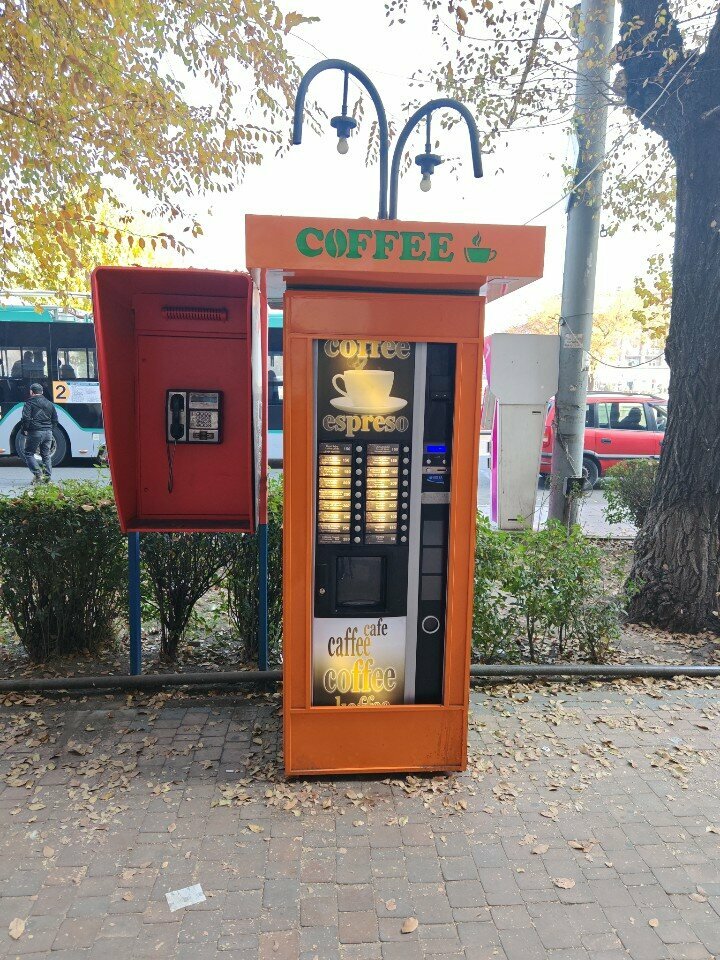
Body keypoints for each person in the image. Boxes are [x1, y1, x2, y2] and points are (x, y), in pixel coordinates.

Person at [20, 383, 57, 483]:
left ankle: (38, 475)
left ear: (31, 392)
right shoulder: (50, 403)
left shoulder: (29, 403)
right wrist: (50, 429)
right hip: (48, 432)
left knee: (28, 453)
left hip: (35, 432)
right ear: (42, 392)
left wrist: (25, 430)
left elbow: (26, 418)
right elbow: (55, 420)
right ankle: (47, 478)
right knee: (46, 455)